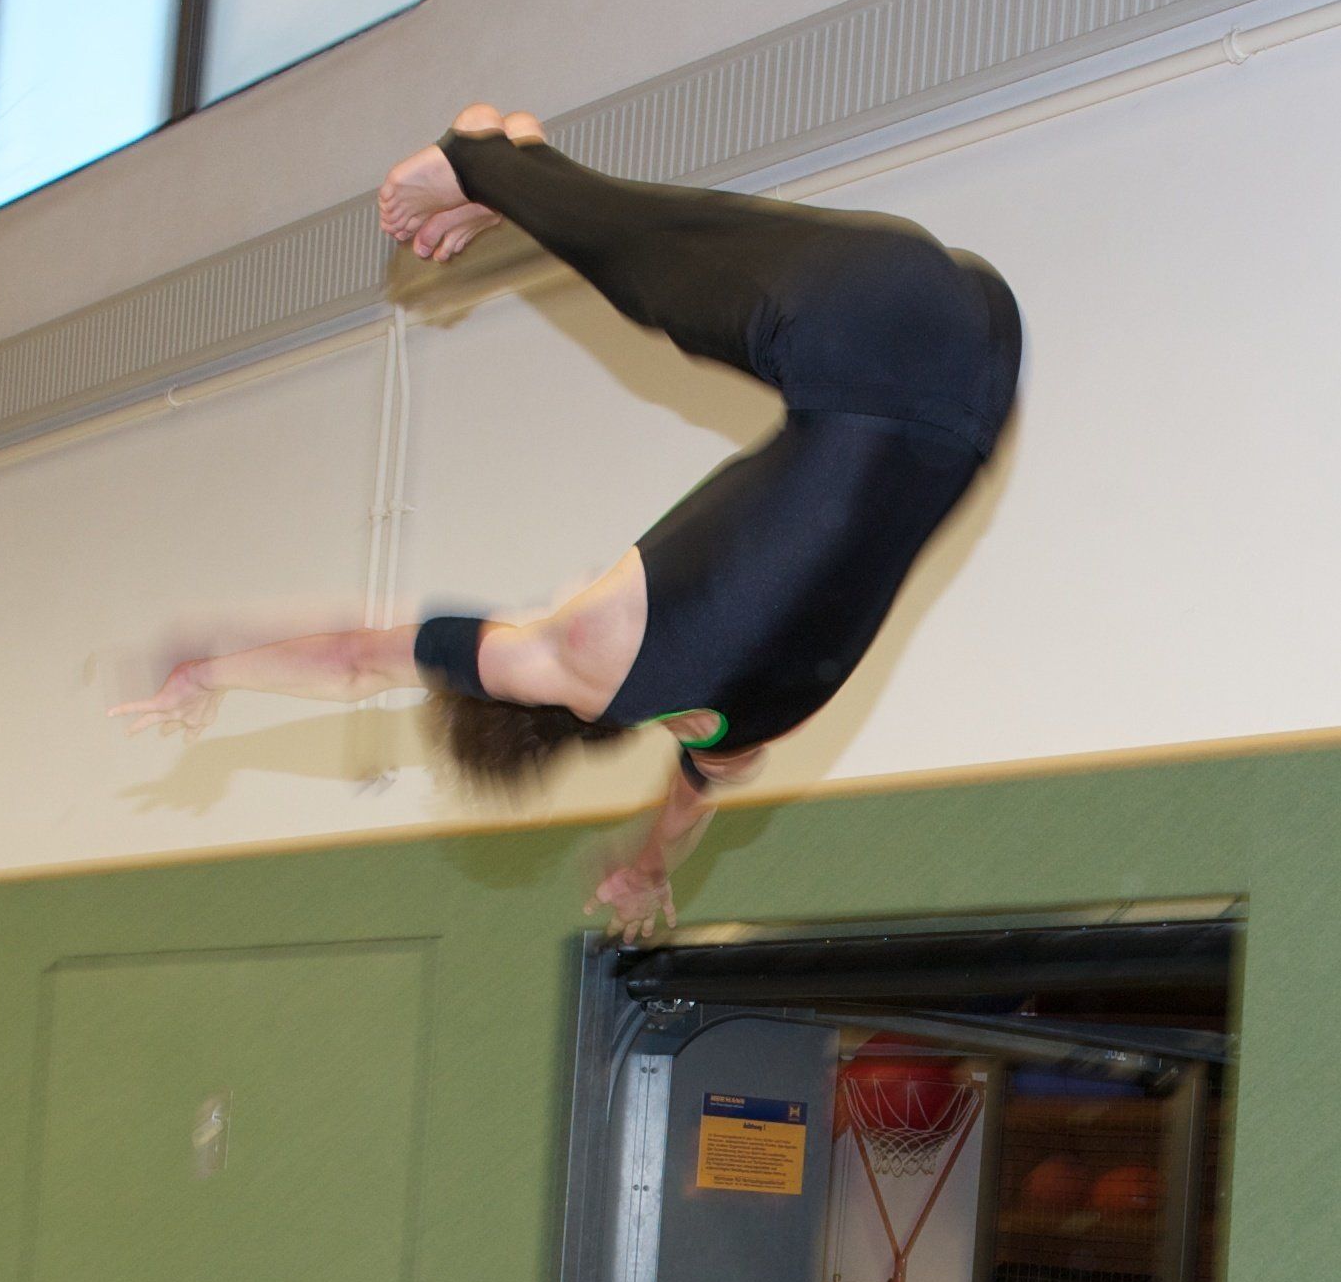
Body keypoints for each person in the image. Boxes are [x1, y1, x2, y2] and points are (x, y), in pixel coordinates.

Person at [113, 106, 1021, 941]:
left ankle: (515, 172)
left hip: (981, 365)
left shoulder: (734, 729)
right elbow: (359, 661)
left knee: (678, 286)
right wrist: (211, 666)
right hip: (864, 330)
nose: (554, 594)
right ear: (516, 691)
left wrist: (645, 864)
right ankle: (488, 166)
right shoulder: (568, 655)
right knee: (660, 270)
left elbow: (694, 796)